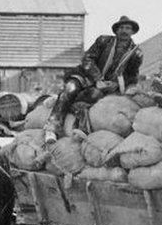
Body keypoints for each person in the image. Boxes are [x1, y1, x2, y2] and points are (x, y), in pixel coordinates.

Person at [43, 16, 144, 144]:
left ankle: (72, 115)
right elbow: (87, 59)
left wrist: (115, 84)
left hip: (108, 87)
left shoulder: (136, 53)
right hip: (86, 77)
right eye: (121, 28)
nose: (124, 31)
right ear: (116, 30)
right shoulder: (103, 41)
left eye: (128, 28)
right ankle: (52, 128)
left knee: (94, 97)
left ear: (133, 31)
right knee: (70, 89)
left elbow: (132, 76)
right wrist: (98, 79)